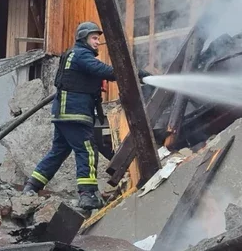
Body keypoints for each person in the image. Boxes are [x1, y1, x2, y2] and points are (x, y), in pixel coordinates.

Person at [23, 21, 150, 209]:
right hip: (74, 113)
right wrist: (134, 73)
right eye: (94, 38)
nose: (98, 42)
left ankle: (32, 186)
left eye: (98, 39)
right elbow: (103, 70)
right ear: (83, 38)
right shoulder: (82, 54)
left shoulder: (74, 54)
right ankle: (87, 195)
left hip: (64, 113)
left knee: (58, 152)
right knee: (87, 151)